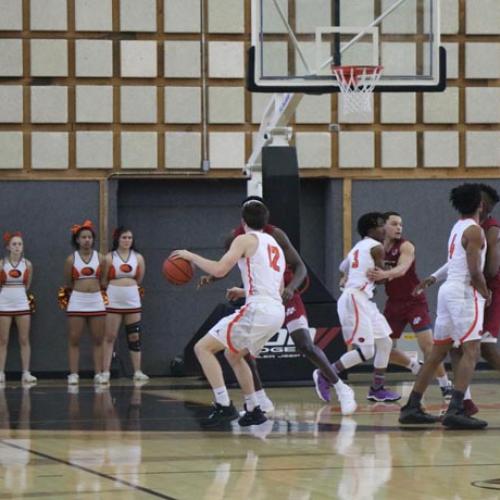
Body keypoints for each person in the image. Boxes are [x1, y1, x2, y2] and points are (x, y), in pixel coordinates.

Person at [201, 196, 353, 413]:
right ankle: (260, 399)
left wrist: (291, 288)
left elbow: (300, 267)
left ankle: (341, 387)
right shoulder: (237, 237)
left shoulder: (275, 234)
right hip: (261, 296)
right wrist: (213, 278)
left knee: (304, 343)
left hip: (286, 294)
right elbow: (226, 265)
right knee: (241, 352)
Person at [172, 200, 286, 427]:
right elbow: (279, 289)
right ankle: (254, 408)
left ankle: (224, 405)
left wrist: (190, 256)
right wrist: (245, 291)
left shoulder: (244, 239)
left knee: (202, 348)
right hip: (276, 311)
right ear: (266, 221)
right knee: (233, 355)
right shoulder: (274, 243)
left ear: (243, 221)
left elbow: (219, 269)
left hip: (259, 309)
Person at [399, 183, 490, 429]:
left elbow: (455, 262)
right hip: (462, 293)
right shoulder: (475, 231)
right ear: (480, 204)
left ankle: (411, 406)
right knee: (472, 351)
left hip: (447, 291)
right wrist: (485, 292)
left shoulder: (457, 227)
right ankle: (457, 409)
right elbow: (473, 271)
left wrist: (432, 278)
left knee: (438, 353)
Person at [367, 212, 452, 398]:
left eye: (401, 225)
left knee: (429, 346)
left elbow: (402, 269)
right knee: (383, 346)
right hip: (394, 304)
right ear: (384, 227)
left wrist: (384, 275)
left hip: (414, 301)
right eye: (394, 224)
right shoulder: (377, 248)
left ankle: (446, 385)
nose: (399, 228)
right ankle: (415, 367)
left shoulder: (406, 246)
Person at [334, 212, 400, 406]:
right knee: (367, 350)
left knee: (385, 343)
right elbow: (382, 278)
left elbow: (342, 266)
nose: (385, 229)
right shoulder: (377, 247)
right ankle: (326, 372)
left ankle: (377, 389)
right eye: (382, 225)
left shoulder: (358, 246)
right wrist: (393, 272)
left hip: (363, 299)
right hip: (356, 299)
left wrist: (347, 276)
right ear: (371, 229)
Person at [101, 227, 148, 384]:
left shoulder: (138, 258)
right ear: (117, 239)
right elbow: (103, 280)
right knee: (110, 336)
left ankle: (137, 371)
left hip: (132, 299)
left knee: (134, 336)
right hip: (114, 298)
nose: (127, 240)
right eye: (124, 237)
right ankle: (105, 372)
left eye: (129, 237)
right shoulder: (109, 258)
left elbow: (139, 279)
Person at [64, 220, 106, 386]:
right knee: (74, 339)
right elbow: (68, 282)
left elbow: (103, 280)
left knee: (98, 339)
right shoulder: (70, 259)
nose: (87, 240)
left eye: (89, 237)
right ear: (77, 240)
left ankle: (98, 373)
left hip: (96, 300)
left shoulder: (101, 258)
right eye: (83, 237)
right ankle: (73, 374)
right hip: (77, 300)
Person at [0, 232, 37, 385]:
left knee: (24, 339)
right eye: (14, 244)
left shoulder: (27, 264)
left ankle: (26, 373)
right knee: (3, 340)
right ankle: (1, 373)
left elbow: (27, 285)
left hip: (22, 303)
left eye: (19, 244)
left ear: (23, 247)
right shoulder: (1, 264)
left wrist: (18, 294)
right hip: (4, 304)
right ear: (8, 247)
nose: (17, 247)